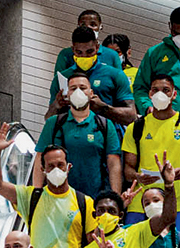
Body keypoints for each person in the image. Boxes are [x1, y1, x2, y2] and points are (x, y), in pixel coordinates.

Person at [0, 124, 96, 248]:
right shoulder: (31, 197)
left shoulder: (84, 202)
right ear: (43, 169)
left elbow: (92, 243)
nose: (56, 170)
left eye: (60, 165)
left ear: (68, 167)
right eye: (50, 166)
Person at [122, 74, 180, 247]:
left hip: (178, 203)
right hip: (141, 204)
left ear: (174, 94)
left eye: (166, 90)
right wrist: (138, 177)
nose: (160, 94)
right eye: (156, 90)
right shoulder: (135, 128)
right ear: (149, 94)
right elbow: (128, 170)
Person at [35, 70, 123, 201]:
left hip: (94, 199)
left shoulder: (104, 125)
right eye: (73, 88)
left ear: (91, 93)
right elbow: (40, 158)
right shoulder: (54, 123)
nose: (78, 92)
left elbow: (113, 163)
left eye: (82, 88)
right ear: (67, 94)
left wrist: (116, 198)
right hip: (57, 199)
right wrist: (35, 192)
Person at [47, 28, 136, 128]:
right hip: (70, 136)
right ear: (73, 50)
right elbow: (48, 119)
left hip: (105, 137)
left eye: (89, 51)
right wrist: (56, 106)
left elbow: (131, 117)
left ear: (97, 47)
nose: (84, 56)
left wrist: (104, 108)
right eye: (79, 52)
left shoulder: (115, 75)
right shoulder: (62, 78)